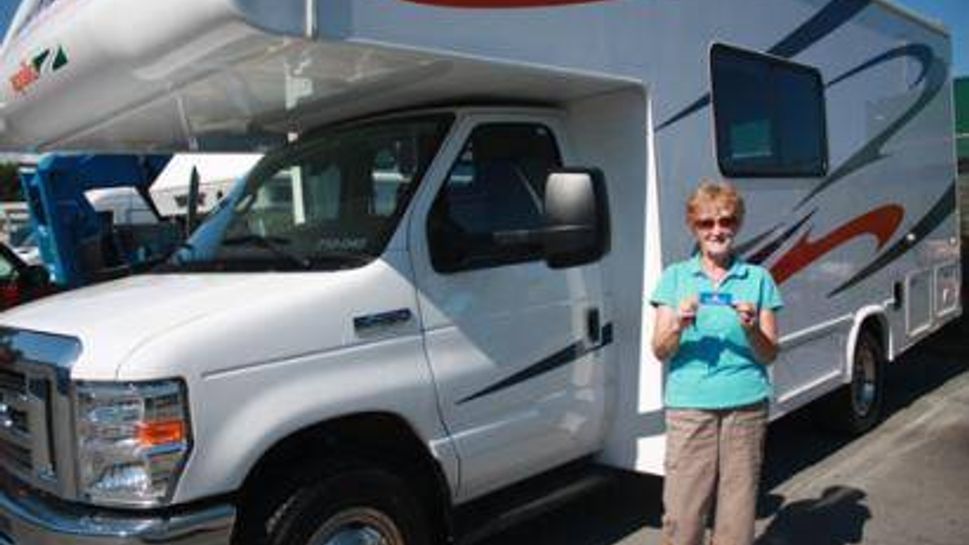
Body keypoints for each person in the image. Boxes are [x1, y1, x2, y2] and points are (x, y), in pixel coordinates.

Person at [650, 180, 783, 545]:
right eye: (706, 223)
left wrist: (753, 328)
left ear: (737, 224)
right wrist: (677, 323)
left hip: (746, 405)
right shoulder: (675, 278)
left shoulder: (758, 279)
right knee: (683, 512)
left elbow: (770, 352)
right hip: (691, 407)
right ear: (694, 226)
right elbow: (660, 350)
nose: (717, 230)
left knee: (738, 513)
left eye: (725, 221)